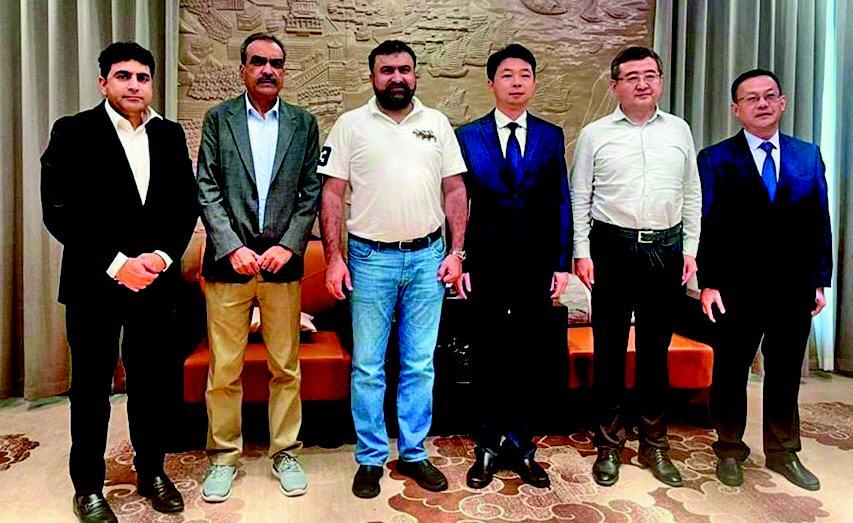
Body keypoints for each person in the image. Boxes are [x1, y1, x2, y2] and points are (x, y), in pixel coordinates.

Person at [41, 41, 197, 522]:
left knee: (152, 385)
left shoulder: (169, 134)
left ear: (152, 85)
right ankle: (88, 486)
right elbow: (59, 211)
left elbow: (184, 205)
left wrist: (163, 258)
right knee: (91, 389)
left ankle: (151, 471)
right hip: (94, 283)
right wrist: (116, 264)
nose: (134, 85)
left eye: (143, 77)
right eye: (123, 76)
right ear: (103, 82)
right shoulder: (73, 131)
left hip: (155, 283)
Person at [318, 40, 468, 499]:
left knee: (419, 364)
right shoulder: (350, 125)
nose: (397, 77)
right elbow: (331, 194)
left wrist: (457, 252)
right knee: (368, 365)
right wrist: (334, 258)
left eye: (404, 69)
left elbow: (455, 190)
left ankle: (415, 453)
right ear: (372, 77)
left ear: (416, 75)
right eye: (387, 70)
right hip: (369, 260)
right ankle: (370, 457)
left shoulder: (436, 123)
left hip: (428, 259)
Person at [196, 32, 321, 502]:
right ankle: (223, 457)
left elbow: (310, 190)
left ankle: (285, 451)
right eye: (258, 62)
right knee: (224, 370)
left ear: (284, 71)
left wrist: (290, 246)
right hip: (229, 266)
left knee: (285, 367)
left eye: (276, 63)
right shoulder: (219, 119)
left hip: (281, 267)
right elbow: (206, 186)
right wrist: (231, 247)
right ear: (243, 69)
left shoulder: (304, 123)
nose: (268, 70)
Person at [570, 46, 701, 488]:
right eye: (632, 77)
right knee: (608, 350)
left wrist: (690, 248)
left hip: (666, 249)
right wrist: (581, 251)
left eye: (650, 75)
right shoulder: (595, 134)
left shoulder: (679, 130)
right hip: (612, 248)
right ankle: (608, 444)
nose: (642, 83)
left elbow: (692, 193)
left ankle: (654, 442)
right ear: (615, 86)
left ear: (660, 81)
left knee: (654, 353)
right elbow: (580, 197)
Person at [697, 69, 831, 491]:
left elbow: (819, 219)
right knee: (731, 369)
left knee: (785, 370)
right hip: (736, 286)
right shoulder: (716, 158)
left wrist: (819, 280)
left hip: (794, 284)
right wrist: (709, 282)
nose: (762, 104)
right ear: (736, 109)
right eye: (751, 98)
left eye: (769, 96)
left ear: (782, 102)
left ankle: (783, 450)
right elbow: (708, 224)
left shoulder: (807, 155)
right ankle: (729, 448)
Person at [454, 44, 571, 490]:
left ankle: (522, 446)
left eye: (524, 74)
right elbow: (457, 203)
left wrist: (561, 263)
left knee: (528, 355)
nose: (516, 82)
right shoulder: (468, 135)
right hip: (484, 262)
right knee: (486, 353)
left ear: (534, 82)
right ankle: (486, 445)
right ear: (491, 84)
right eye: (507, 75)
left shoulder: (550, 135)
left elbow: (560, 200)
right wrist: (460, 257)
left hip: (535, 264)